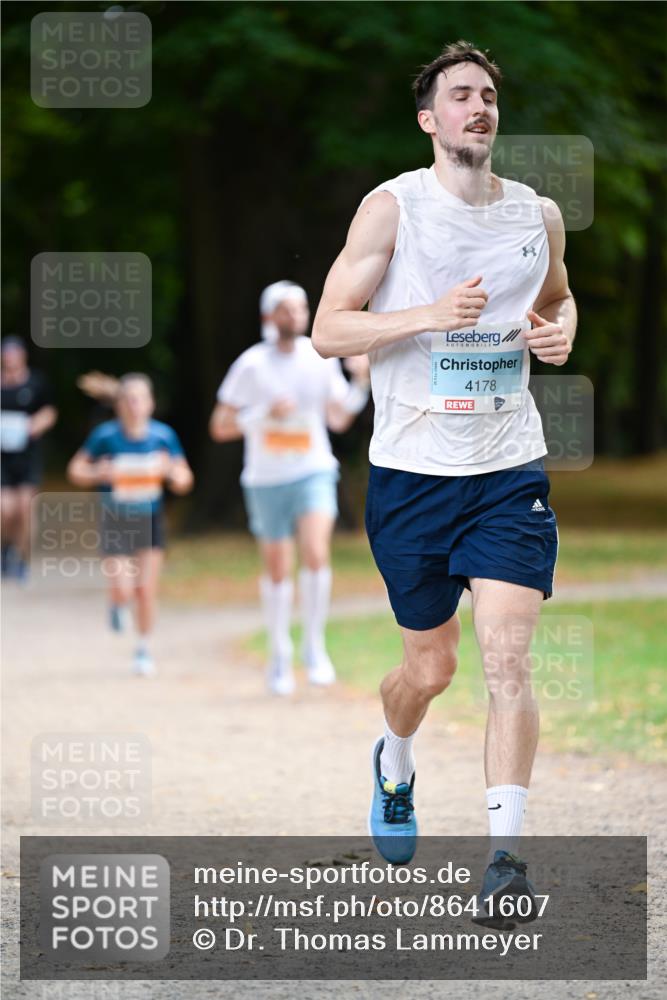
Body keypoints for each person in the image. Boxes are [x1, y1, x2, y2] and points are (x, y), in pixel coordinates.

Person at [312, 41, 576, 925]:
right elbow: (327, 331)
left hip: (506, 468)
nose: (479, 106)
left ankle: (505, 860)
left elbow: (556, 299)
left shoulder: (536, 216)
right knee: (429, 669)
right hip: (412, 475)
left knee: (506, 658)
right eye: (460, 95)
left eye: (489, 94)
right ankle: (394, 759)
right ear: (430, 119)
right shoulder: (392, 209)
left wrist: (558, 332)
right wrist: (426, 315)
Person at [209, 281, 370, 695]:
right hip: (265, 479)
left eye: (300, 307)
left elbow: (338, 420)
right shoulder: (252, 364)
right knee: (278, 567)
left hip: (313, 470)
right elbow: (220, 426)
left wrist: (361, 385)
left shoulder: (318, 360)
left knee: (316, 553)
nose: (295, 315)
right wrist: (261, 415)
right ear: (269, 316)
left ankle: (314, 648)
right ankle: (279, 653)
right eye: (286, 308)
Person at [67, 373, 194, 676]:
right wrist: (98, 473)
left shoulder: (163, 437)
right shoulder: (105, 437)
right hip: (115, 519)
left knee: (145, 590)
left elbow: (185, 480)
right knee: (124, 589)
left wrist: (171, 473)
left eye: (141, 398)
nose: (135, 405)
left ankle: (143, 648)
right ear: (119, 404)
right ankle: (116, 604)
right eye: (129, 398)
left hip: (149, 520)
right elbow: (76, 470)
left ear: (151, 403)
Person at [1, 336, 57, 581]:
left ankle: (22, 558)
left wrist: (36, 425)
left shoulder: (36, 382)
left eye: (15, 354)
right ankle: (5, 549)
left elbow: (50, 411)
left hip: (27, 455)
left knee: (25, 508)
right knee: (4, 509)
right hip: (3, 457)